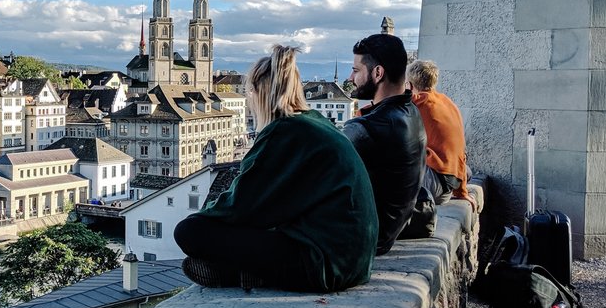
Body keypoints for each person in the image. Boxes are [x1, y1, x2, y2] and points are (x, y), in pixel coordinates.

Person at [174, 45, 378, 292]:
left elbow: (240, 205)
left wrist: (203, 216)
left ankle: (238, 272)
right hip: (352, 260)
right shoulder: (314, 123)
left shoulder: (284, 132)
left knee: (189, 231)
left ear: (259, 92)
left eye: (250, 91)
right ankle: (243, 272)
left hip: (324, 264)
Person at [343, 33, 426, 255]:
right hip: (388, 231)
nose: (351, 78)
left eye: (356, 70)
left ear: (378, 73)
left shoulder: (369, 127)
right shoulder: (411, 112)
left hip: (366, 237)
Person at [406, 59, 473, 206]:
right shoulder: (448, 103)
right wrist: (462, 192)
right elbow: (461, 151)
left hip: (432, 188)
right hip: (451, 182)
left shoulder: (417, 102)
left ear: (410, 85)